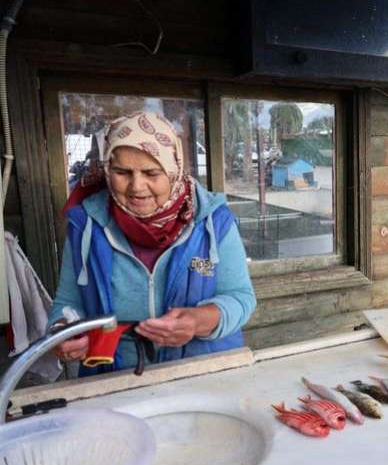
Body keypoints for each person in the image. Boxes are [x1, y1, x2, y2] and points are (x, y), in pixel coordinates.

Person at [48, 111, 256, 376]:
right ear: (107, 169)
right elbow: (67, 302)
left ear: (173, 171)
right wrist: (63, 331)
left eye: (151, 173)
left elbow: (241, 297)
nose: (137, 186)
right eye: (122, 172)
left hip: (202, 373)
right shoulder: (86, 224)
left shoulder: (213, 220)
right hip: (115, 376)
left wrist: (198, 321)